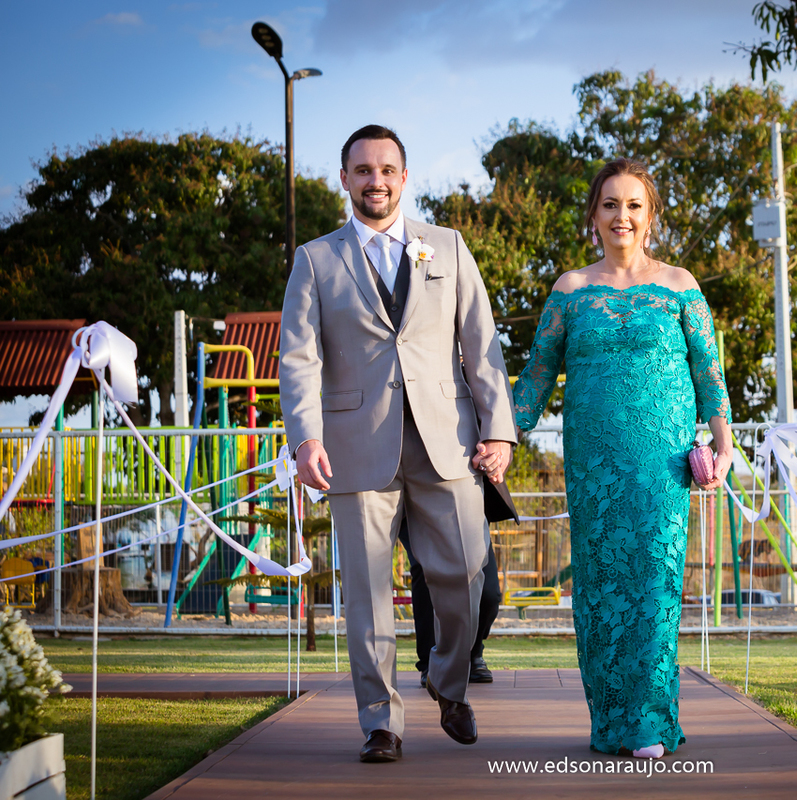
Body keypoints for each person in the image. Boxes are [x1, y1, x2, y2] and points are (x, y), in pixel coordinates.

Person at [279, 124, 519, 763]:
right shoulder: (315, 260)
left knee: (467, 574)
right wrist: (304, 439)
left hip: (450, 443)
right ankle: (380, 721)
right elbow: (298, 359)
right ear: (345, 179)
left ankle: (449, 683)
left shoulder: (448, 246)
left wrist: (499, 427)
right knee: (367, 594)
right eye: (362, 170)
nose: (375, 181)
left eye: (386, 170)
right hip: (354, 448)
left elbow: (482, 342)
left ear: (404, 177)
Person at [512, 158, 733, 759]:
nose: (622, 216)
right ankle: (610, 723)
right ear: (594, 216)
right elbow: (535, 379)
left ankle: (650, 725)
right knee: (601, 590)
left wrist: (723, 441)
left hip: (662, 464)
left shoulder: (681, 285)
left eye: (634, 205)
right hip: (593, 468)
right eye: (610, 204)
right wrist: (495, 434)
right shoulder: (570, 289)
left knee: (655, 587)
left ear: (650, 216)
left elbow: (709, 375)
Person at [397, 517, 500, 686]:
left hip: (468, 507)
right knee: (425, 572)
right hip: (415, 507)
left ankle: (473, 652)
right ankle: (429, 663)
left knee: (489, 594)